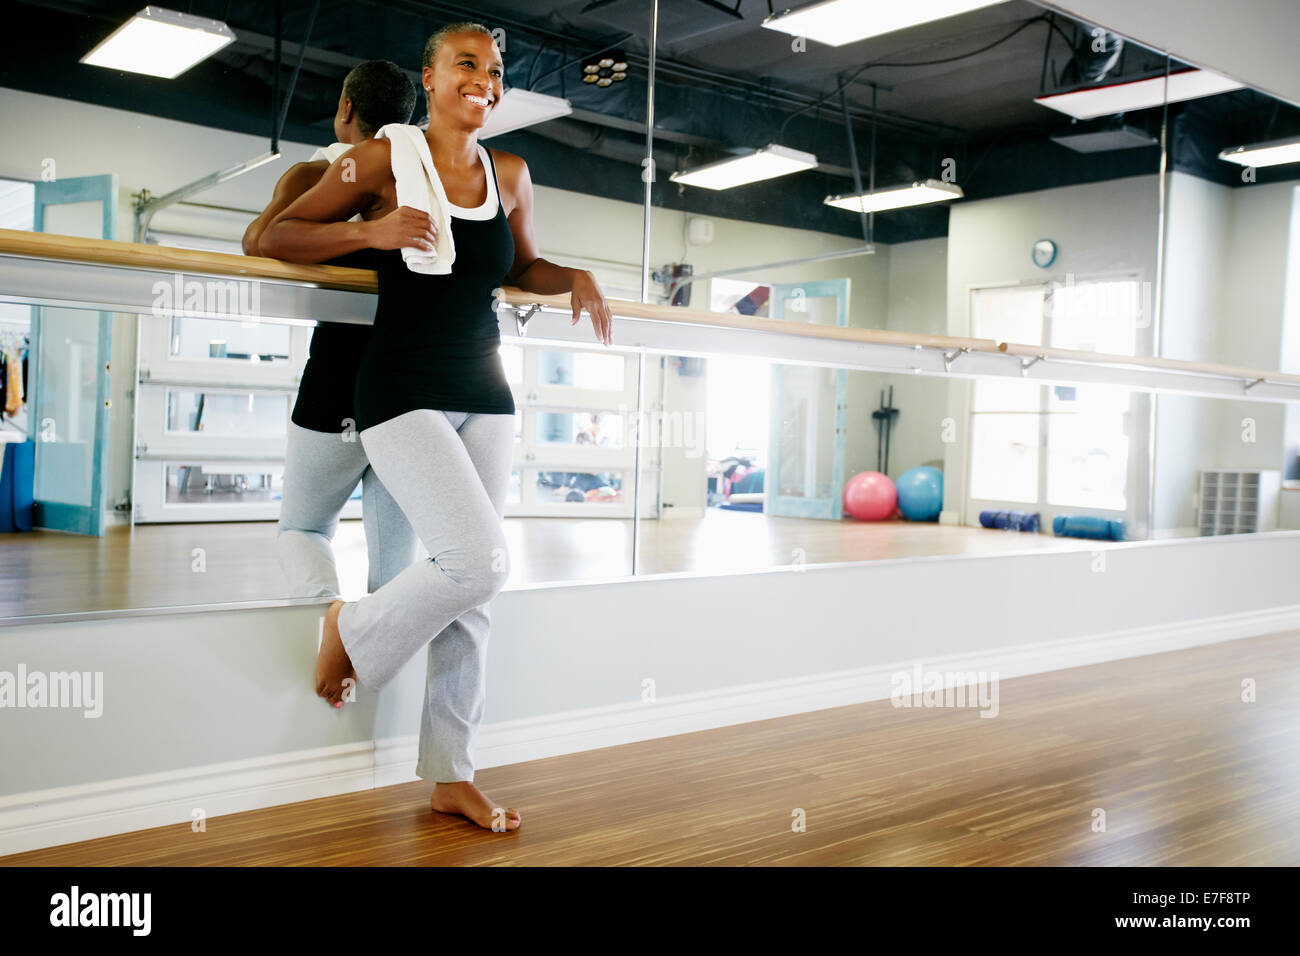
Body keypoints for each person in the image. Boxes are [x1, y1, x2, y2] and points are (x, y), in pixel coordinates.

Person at [261, 22, 614, 832]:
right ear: (429, 76)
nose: (484, 81)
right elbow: (274, 235)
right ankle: (349, 628)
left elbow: (521, 266)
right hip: (398, 389)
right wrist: (368, 231)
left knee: (475, 597)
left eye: (494, 72)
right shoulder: (382, 160)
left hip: (484, 389)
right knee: (478, 560)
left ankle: (452, 774)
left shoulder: (512, 171)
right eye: (467, 66)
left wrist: (577, 275)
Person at [245, 60, 420, 603]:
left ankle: (328, 631)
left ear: (347, 106)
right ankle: (382, 666)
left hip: (341, 365)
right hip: (413, 371)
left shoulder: (312, 174)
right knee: (396, 559)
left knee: (304, 528)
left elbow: (258, 242)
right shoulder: (425, 178)